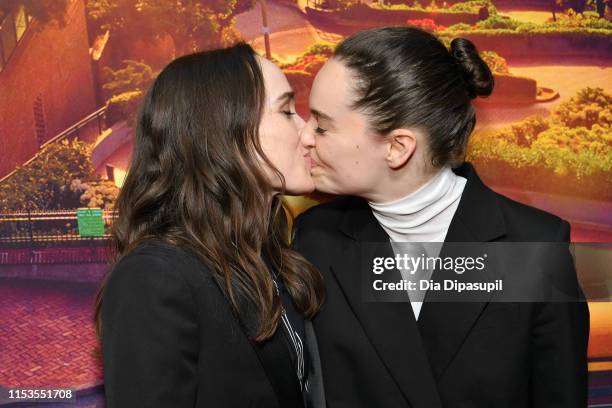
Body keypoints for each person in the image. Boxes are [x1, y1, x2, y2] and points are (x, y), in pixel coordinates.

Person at [293, 26, 589, 407]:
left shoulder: (531, 250)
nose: (305, 136)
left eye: (321, 124)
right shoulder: (316, 238)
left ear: (398, 147)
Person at [95, 42, 326, 408]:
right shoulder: (154, 277)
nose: (307, 131)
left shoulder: (270, 253)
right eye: (286, 111)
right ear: (224, 133)